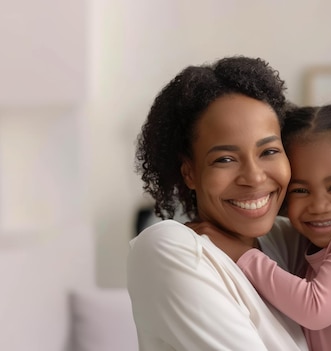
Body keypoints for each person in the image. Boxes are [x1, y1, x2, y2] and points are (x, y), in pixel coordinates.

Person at [127, 56, 309, 350]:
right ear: (189, 172)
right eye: (225, 159)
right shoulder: (168, 247)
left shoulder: (288, 241)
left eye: (269, 151)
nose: (253, 177)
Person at [206, 104, 331, 351]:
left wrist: (241, 254)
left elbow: (316, 308)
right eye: (301, 190)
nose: (319, 206)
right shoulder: (307, 250)